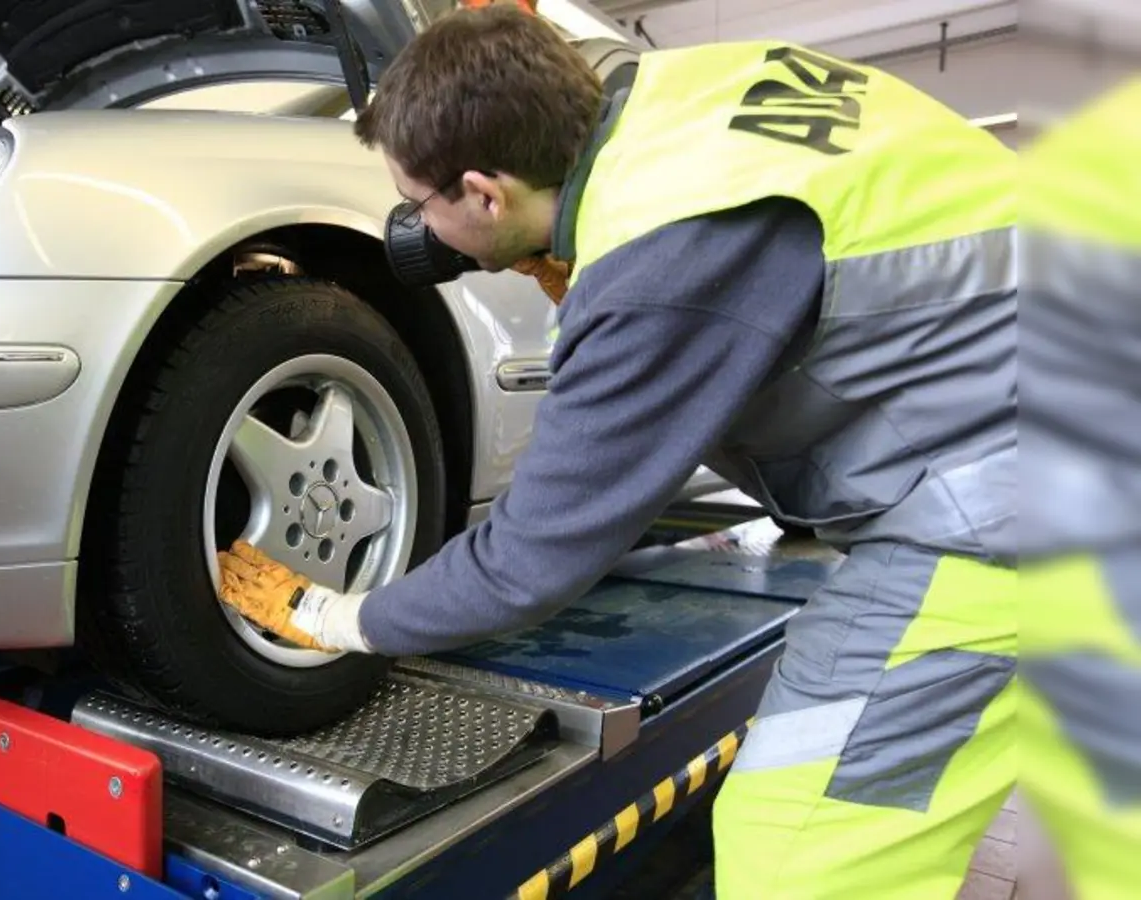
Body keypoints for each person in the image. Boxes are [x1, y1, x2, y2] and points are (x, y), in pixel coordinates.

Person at [216, 7, 1016, 898]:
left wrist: (336, 618)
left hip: (1018, 510)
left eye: (419, 205)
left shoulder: (657, 261)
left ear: (485, 193)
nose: (418, 232)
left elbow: (529, 559)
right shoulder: (674, 95)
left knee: (797, 851)